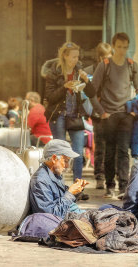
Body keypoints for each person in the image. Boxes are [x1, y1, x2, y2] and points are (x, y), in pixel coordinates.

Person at [91, 32, 138, 198]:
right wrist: (101, 112)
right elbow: (91, 91)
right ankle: (109, 185)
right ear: (113, 46)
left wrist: (136, 107)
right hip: (109, 115)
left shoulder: (131, 65)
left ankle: (123, 186)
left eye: (125, 47)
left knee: (123, 151)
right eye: (119, 47)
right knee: (110, 151)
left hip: (126, 114)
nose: (122, 50)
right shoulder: (105, 65)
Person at [44, 42, 95, 200]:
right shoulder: (54, 73)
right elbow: (50, 97)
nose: (76, 59)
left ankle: (78, 189)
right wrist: (65, 87)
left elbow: (92, 93)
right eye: (73, 56)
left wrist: (87, 81)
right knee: (59, 153)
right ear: (65, 56)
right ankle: (58, 187)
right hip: (58, 114)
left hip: (75, 115)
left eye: (77, 57)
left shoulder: (79, 72)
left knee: (78, 153)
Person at [29, 139, 89, 218]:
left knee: (106, 210)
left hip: (72, 214)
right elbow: (51, 216)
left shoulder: (55, 174)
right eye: (66, 161)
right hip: (61, 222)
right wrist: (70, 193)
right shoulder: (40, 181)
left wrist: (76, 191)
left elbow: (62, 201)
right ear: (54, 158)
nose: (67, 166)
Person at [83, 42, 112, 189]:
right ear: (99, 57)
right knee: (100, 145)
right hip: (97, 112)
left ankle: (111, 177)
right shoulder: (90, 71)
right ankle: (100, 177)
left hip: (113, 112)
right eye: (105, 57)